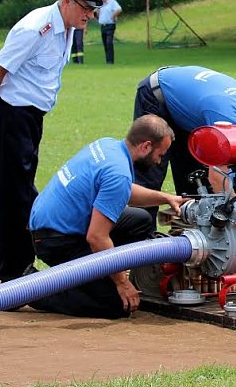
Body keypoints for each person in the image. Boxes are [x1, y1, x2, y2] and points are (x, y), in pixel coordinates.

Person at [0, 0, 110, 283]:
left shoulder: (68, 26)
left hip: (29, 118)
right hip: (11, 116)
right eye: (86, 9)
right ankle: (14, 274)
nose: (91, 15)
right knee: (13, 195)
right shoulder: (36, 28)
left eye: (94, 10)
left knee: (22, 190)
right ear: (68, 1)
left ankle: (22, 264)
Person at [28, 115, 186, 319]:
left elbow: (122, 191)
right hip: (55, 240)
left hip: (51, 223)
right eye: (160, 154)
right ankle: (36, 288)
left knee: (140, 220)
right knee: (115, 304)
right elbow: (96, 237)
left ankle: (96, 275)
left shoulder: (109, 146)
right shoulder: (118, 174)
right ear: (146, 146)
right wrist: (121, 282)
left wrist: (164, 198)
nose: (159, 161)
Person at [133, 65, 236, 212]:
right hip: (157, 94)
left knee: (195, 181)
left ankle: (189, 238)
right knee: (151, 171)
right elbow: (218, 173)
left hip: (189, 105)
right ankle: (140, 236)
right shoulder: (225, 115)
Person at [97, 0, 122, 64]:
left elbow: (119, 9)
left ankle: (110, 61)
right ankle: (108, 60)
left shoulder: (112, 2)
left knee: (109, 42)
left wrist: (113, 16)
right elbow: (97, 13)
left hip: (110, 25)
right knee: (105, 43)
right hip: (103, 25)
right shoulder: (101, 4)